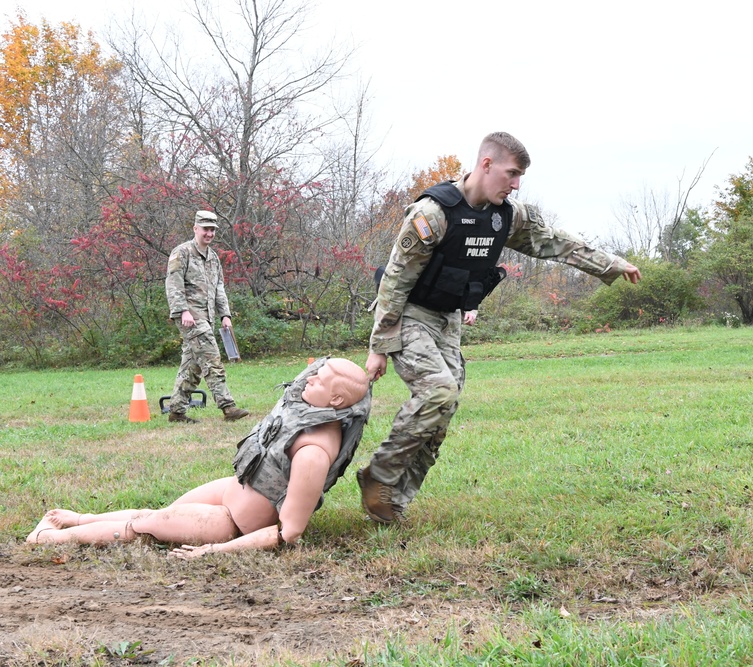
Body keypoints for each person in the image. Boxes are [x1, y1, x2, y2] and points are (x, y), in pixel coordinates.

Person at [357, 131, 642, 524]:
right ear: (486, 164)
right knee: (438, 390)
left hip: (448, 319)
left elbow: (556, 242)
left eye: (520, 176)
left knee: (445, 405)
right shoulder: (432, 214)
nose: (516, 184)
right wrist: (379, 346)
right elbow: (395, 280)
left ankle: (392, 503)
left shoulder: (506, 215)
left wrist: (611, 263)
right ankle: (380, 476)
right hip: (410, 314)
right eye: (511, 173)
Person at [26, 358, 371, 557]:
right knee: (158, 515)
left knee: (144, 528)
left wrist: (213, 551)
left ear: (337, 401)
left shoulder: (313, 452)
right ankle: (83, 518)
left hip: (232, 522)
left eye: (320, 379)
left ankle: (51, 538)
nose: (309, 378)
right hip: (231, 491)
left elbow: (289, 532)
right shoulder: (308, 409)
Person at [164, 209, 249, 423]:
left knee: (192, 365)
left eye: (212, 230)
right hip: (189, 317)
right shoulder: (181, 253)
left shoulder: (213, 258)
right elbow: (173, 284)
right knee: (211, 358)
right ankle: (228, 407)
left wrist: (225, 315)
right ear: (195, 229)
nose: (209, 234)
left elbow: (219, 289)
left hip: (207, 317)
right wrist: (183, 310)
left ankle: (176, 411)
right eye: (205, 229)